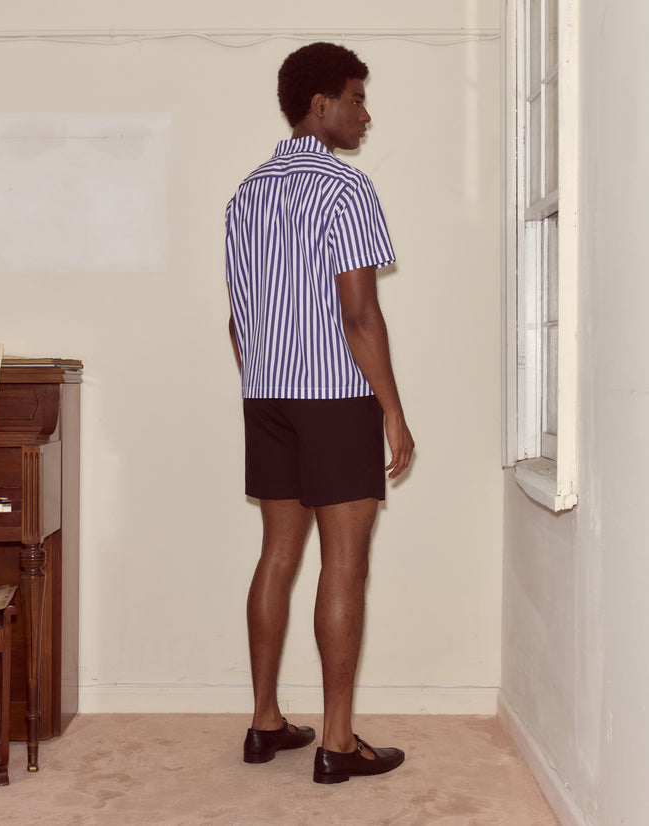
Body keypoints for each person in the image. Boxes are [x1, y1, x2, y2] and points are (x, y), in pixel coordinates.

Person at [225, 41, 415, 784]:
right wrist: (394, 413)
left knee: (277, 554)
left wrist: (269, 383)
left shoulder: (246, 192)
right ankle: (337, 742)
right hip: (334, 399)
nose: (365, 116)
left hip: (266, 394)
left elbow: (238, 319)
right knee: (345, 563)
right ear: (320, 105)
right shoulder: (345, 188)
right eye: (357, 99)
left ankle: (265, 723)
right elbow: (360, 315)